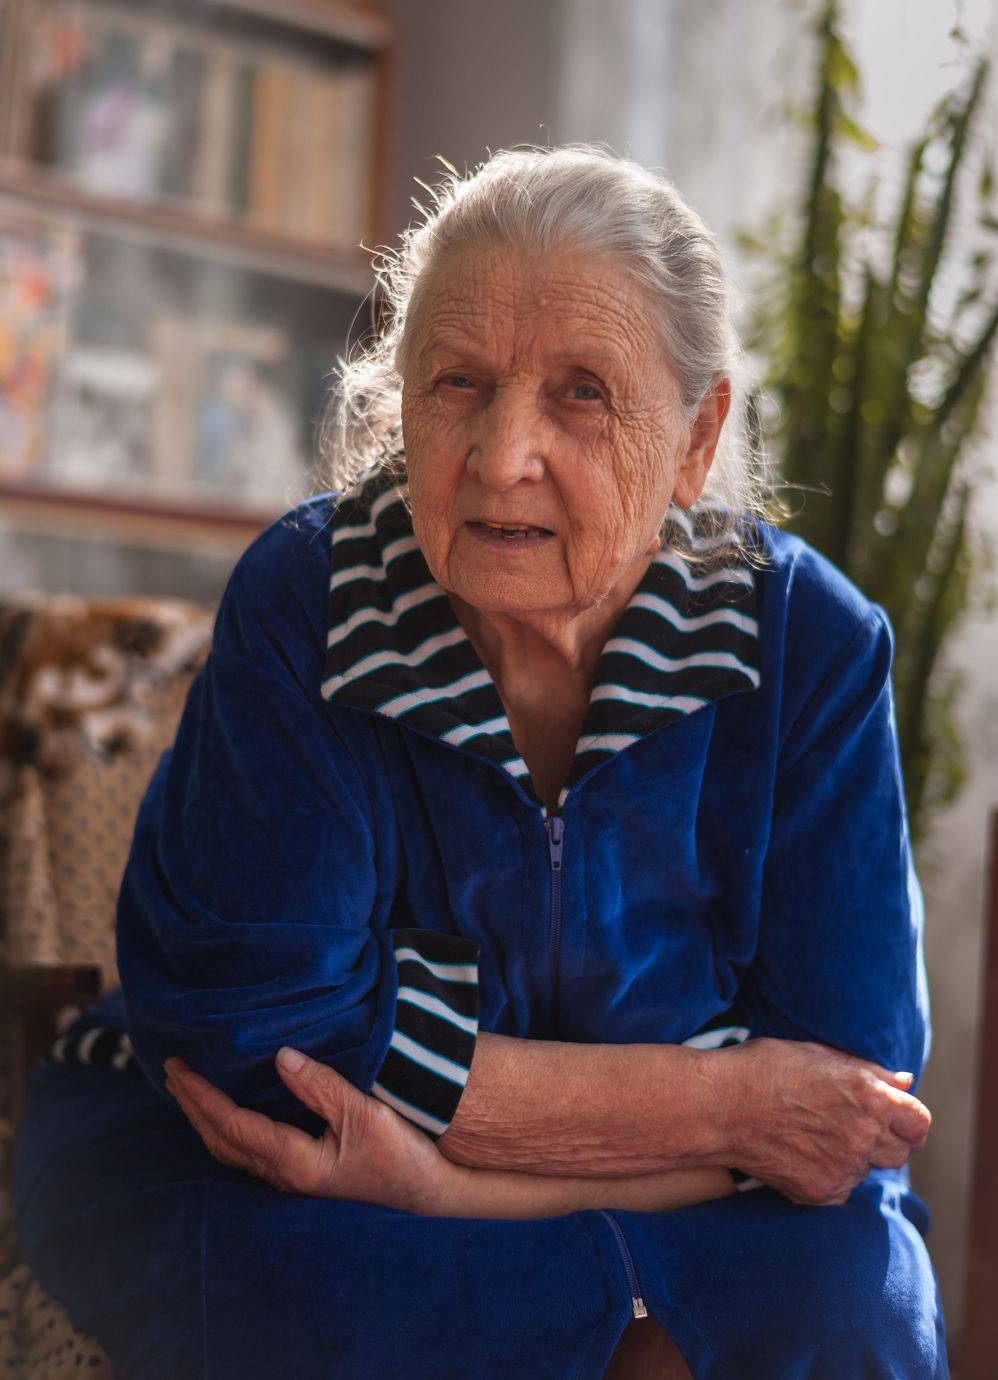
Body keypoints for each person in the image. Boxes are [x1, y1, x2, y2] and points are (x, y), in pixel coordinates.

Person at [12, 144, 946, 1379]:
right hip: (290, 1173)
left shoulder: (806, 644)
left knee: (854, 1306)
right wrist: (727, 1103)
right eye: (458, 382)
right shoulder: (311, 600)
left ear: (695, 435)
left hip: (669, 1200)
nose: (502, 457)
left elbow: (841, 1101)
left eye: (580, 393)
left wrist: (444, 1184)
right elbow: (266, 1045)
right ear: (398, 400)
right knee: (308, 1292)